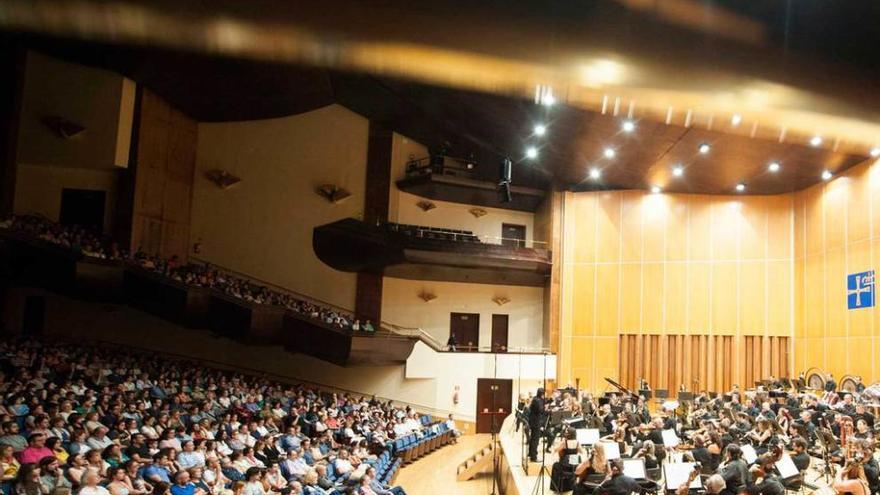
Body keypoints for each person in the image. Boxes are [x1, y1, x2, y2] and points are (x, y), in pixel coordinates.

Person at [527, 388, 546, 462]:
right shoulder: (538, 400)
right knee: (535, 440)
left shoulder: (535, 399)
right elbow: (540, 410)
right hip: (536, 422)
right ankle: (534, 457)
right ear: (542, 394)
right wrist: (545, 407)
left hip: (533, 422)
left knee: (532, 438)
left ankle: (530, 453)